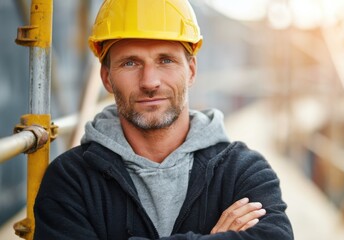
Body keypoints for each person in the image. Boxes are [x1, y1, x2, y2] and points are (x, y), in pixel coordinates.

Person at [34, 0, 294, 239]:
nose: (150, 82)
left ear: (191, 71)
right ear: (106, 78)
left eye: (166, 60)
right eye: (130, 63)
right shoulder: (69, 179)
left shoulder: (243, 170)